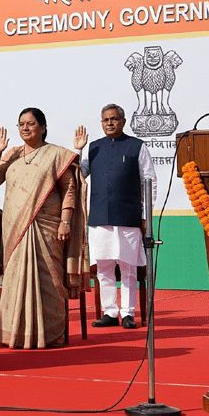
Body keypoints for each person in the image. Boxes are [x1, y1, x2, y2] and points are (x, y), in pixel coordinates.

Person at [0, 107, 87, 349]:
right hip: (15, 228)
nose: (25, 128)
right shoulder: (12, 154)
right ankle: (14, 334)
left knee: (49, 280)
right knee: (14, 279)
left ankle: (51, 334)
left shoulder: (56, 155)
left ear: (43, 127)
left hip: (48, 226)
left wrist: (65, 221)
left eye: (30, 123)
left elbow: (69, 189)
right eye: (21, 124)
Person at [72, 104, 155, 330]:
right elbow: (78, 176)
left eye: (114, 119)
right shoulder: (94, 147)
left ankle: (128, 313)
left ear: (123, 121)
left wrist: (146, 215)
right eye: (105, 120)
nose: (109, 123)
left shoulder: (137, 146)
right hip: (100, 217)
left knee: (128, 267)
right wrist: (78, 151)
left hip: (128, 217)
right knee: (104, 267)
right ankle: (109, 312)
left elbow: (149, 181)